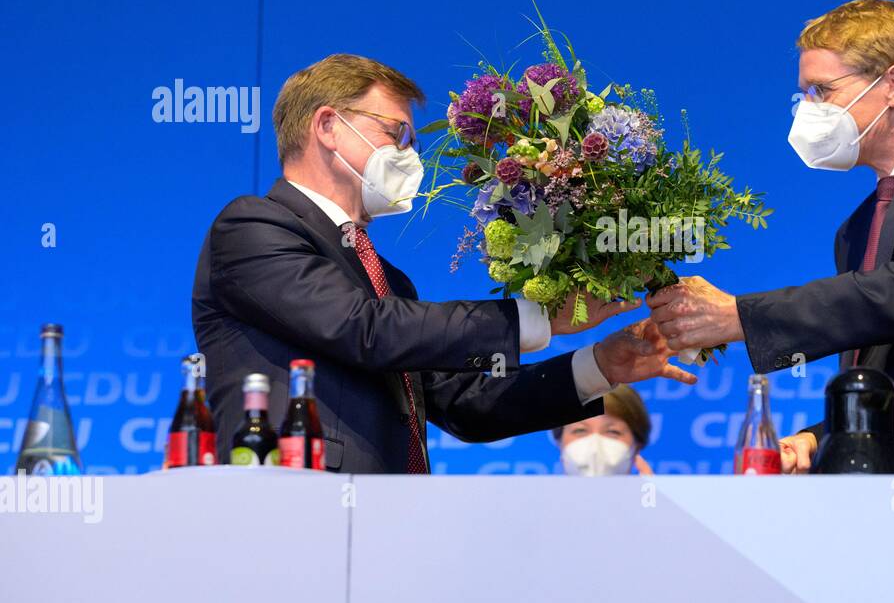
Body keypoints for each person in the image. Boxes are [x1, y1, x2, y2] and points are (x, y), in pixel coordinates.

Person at [193, 54, 693, 474]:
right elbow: (361, 328)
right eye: (397, 134)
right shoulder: (252, 228)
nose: (410, 156)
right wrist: (535, 316)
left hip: (389, 522)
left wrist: (600, 365)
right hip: (295, 503)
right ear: (328, 126)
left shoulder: (389, 280)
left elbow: (466, 405)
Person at [647, 0, 894, 470]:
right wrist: (819, 438)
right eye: (804, 95)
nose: (807, 110)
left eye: (821, 91)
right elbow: (887, 374)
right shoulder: (857, 229)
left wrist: (738, 316)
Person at [552, 384, 654, 476]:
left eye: (612, 432)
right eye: (580, 430)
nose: (595, 449)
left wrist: (650, 495)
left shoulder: (655, 496)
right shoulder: (537, 496)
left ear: (637, 446)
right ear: (559, 442)